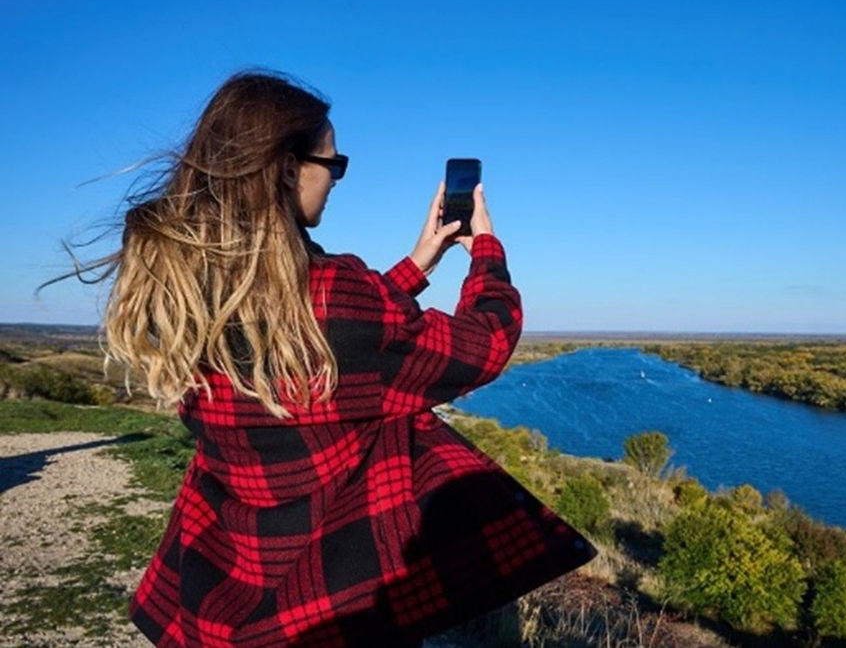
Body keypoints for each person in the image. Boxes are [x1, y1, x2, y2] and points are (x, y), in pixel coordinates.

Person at [91, 71, 595, 646]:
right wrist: (486, 250)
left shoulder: (184, 290)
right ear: (286, 165)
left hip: (227, 584)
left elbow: (334, 330)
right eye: (333, 164)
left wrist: (419, 262)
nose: (336, 181)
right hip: (333, 596)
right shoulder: (334, 301)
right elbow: (483, 343)